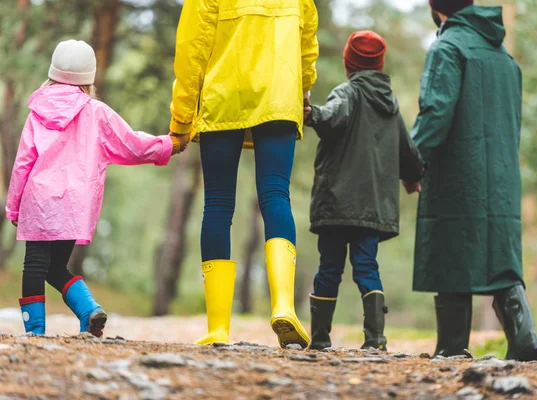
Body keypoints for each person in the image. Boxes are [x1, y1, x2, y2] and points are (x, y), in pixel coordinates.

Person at [169, 0, 319, 348]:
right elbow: (307, 42)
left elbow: (192, 49)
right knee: (275, 194)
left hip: (223, 97)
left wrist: (181, 119)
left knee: (218, 204)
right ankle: (283, 306)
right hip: (280, 96)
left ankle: (218, 328)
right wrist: (304, 88)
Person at [6, 40, 181, 336]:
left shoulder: (37, 111)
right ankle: (88, 310)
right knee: (56, 265)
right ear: (89, 78)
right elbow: (131, 143)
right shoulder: (96, 112)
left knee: (36, 265)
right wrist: (168, 144)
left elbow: (24, 161)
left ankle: (35, 332)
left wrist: (13, 206)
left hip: (39, 199)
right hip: (75, 203)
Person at [409, 0, 537, 361]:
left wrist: (411, 163)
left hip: (458, 173)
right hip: (501, 176)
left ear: (434, 6)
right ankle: (524, 337)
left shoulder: (447, 48)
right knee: (499, 254)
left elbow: (435, 113)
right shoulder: (504, 57)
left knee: (452, 247)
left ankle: (452, 348)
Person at [304, 31, 424, 351]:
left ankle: (319, 338)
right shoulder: (390, 104)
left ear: (349, 64)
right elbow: (406, 148)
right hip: (371, 208)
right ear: (379, 64)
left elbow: (330, 118)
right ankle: (376, 338)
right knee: (367, 267)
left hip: (336, 202)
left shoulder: (347, 93)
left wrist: (310, 113)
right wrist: (413, 177)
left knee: (329, 267)